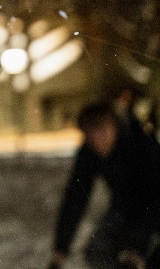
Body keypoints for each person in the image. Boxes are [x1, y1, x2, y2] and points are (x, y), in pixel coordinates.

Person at [48, 100, 160, 269]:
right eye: (90, 134)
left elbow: (155, 199)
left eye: (102, 131)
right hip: (123, 210)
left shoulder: (142, 145)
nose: (97, 141)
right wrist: (60, 250)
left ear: (115, 126)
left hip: (154, 211)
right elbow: (75, 197)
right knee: (96, 252)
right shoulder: (89, 152)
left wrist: (135, 248)